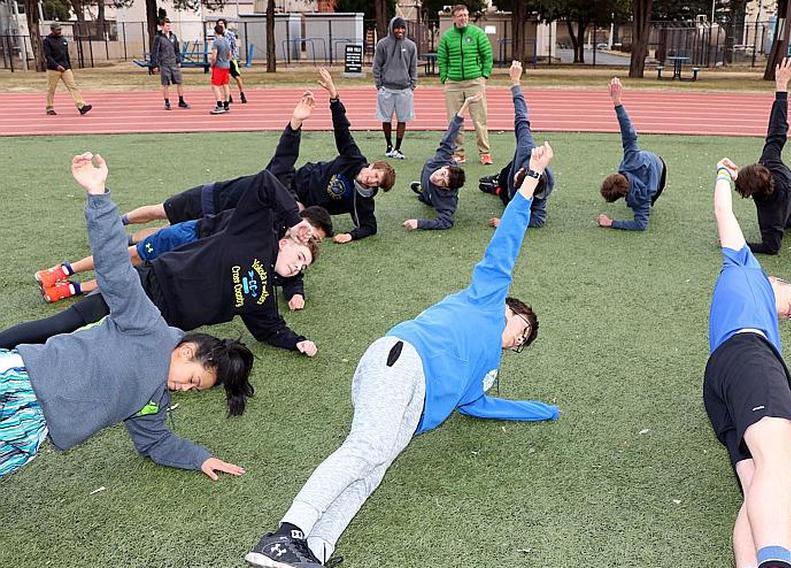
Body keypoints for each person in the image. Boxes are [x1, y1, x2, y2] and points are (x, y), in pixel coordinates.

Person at [243, 143, 559, 568]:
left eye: (520, 345)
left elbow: (481, 406)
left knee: (372, 469)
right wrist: (532, 177)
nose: (515, 343)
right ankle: (285, 535)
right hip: (405, 361)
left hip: (414, 406)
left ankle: (314, 550)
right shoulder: (487, 299)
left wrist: (544, 411)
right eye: (520, 332)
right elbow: (506, 242)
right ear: (511, 311)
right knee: (365, 449)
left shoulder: (486, 369)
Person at [0, 153, 253, 480]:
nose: (184, 389)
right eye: (192, 380)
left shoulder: (154, 399)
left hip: (30, 427)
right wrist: (98, 196)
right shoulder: (147, 327)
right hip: (22, 380)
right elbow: (115, 270)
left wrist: (199, 459)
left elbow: (156, 441)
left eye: (194, 391)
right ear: (187, 351)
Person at [0, 168, 319, 357]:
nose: (298, 267)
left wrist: (298, 342)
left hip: (158, 327)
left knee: (86, 352)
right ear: (285, 241)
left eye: (303, 268)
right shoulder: (253, 234)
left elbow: (270, 330)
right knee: (64, 325)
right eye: (301, 256)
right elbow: (265, 181)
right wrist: (294, 219)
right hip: (142, 286)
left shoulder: (262, 299)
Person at [706, 157, 791, 568]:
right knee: (783, 461)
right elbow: (724, 209)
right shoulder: (745, 265)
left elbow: (755, 392)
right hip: (745, 360)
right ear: (774, 279)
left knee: (757, 481)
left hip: (723, 379)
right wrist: (724, 173)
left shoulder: (756, 318)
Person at [120, 83, 395, 245]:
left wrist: (348, 234)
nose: (372, 180)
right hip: (215, 196)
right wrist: (298, 122)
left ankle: (127, 241)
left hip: (222, 224)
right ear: (371, 166)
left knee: (170, 234)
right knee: (163, 210)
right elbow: (285, 161)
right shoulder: (278, 182)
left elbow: (368, 225)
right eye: (375, 174)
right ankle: (121, 221)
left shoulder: (277, 222)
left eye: (377, 183)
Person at [33, 205, 331, 307]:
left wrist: (296, 292)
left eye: (312, 239)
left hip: (193, 264)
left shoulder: (288, 254)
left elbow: (292, 272)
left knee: (137, 279)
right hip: (190, 237)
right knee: (131, 256)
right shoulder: (274, 217)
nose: (307, 237)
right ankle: (64, 270)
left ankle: (70, 289)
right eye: (309, 232)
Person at [732, 58, 791, 254]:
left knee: (783, 226)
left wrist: (735, 243)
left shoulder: (771, 214)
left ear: (752, 194)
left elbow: (771, 247)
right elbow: (778, 129)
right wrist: (781, 87)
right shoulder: (770, 161)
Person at [478, 61, 554, 228]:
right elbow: (522, 117)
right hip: (512, 168)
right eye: (518, 175)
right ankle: (500, 178)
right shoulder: (527, 149)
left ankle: (498, 190)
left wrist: (506, 222)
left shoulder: (539, 194)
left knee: (509, 202)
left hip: (513, 195)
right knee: (506, 172)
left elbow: (538, 220)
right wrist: (515, 82)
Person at [596, 77, 667, 232]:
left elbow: (641, 225)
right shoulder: (631, 159)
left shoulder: (642, 198)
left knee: (649, 205)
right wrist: (617, 101)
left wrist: (611, 223)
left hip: (660, 170)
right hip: (646, 163)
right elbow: (628, 131)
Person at [402, 94, 478, 231]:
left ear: (447, 189)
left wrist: (419, 223)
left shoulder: (447, 200)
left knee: (429, 200)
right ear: (445, 166)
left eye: (442, 182)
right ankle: (423, 190)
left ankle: (426, 195)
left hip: (434, 198)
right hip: (428, 184)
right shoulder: (442, 158)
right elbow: (452, 131)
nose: (437, 178)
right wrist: (466, 104)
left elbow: (446, 222)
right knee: (427, 187)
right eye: (442, 173)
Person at [438, 4, 494, 165]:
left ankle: (485, 152)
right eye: (460, 15)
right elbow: (442, 59)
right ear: (454, 18)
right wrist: (445, 78)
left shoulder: (477, 33)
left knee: (479, 119)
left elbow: (487, 55)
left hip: (474, 82)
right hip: (453, 84)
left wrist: (484, 75)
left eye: (465, 15)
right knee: (455, 120)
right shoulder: (447, 36)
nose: (463, 18)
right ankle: (459, 153)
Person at [372, 17, 418, 160]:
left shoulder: (411, 46)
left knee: (402, 119)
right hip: (386, 88)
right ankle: (389, 146)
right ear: (392, 28)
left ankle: (398, 148)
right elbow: (376, 66)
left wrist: (413, 84)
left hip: (404, 89)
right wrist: (379, 85)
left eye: (402, 28)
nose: (400, 31)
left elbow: (413, 67)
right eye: (397, 28)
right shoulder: (382, 44)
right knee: (386, 119)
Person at [43, 22, 92, 116]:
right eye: (57, 29)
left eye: (60, 29)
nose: (59, 31)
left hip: (65, 68)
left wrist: (68, 66)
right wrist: (56, 66)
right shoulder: (47, 41)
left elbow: (66, 55)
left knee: (73, 86)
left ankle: (81, 106)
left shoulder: (63, 40)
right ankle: (49, 108)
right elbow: (48, 56)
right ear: (52, 30)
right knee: (51, 89)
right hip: (53, 69)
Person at [150, 18, 190, 111]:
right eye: (167, 25)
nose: (168, 27)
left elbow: (177, 50)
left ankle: (181, 101)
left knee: (179, 82)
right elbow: (154, 52)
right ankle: (167, 102)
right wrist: (155, 65)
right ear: (162, 26)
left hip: (174, 63)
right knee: (165, 84)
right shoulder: (158, 37)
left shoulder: (173, 36)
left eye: (169, 25)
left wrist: (179, 60)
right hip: (164, 64)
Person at [217, 18, 248, 104]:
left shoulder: (230, 34)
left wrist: (233, 57)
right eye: (219, 23)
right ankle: (228, 96)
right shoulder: (217, 35)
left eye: (222, 23)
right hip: (222, 61)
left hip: (231, 59)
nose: (220, 25)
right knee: (225, 80)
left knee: (237, 77)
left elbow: (234, 46)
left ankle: (242, 93)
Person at [210, 24, 232, 115]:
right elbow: (229, 54)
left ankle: (219, 104)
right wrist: (226, 61)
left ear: (215, 32)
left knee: (215, 86)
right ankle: (226, 103)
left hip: (219, 66)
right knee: (225, 84)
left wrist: (212, 64)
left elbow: (214, 56)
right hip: (226, 65)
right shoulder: (226, 41)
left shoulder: (216, 42)